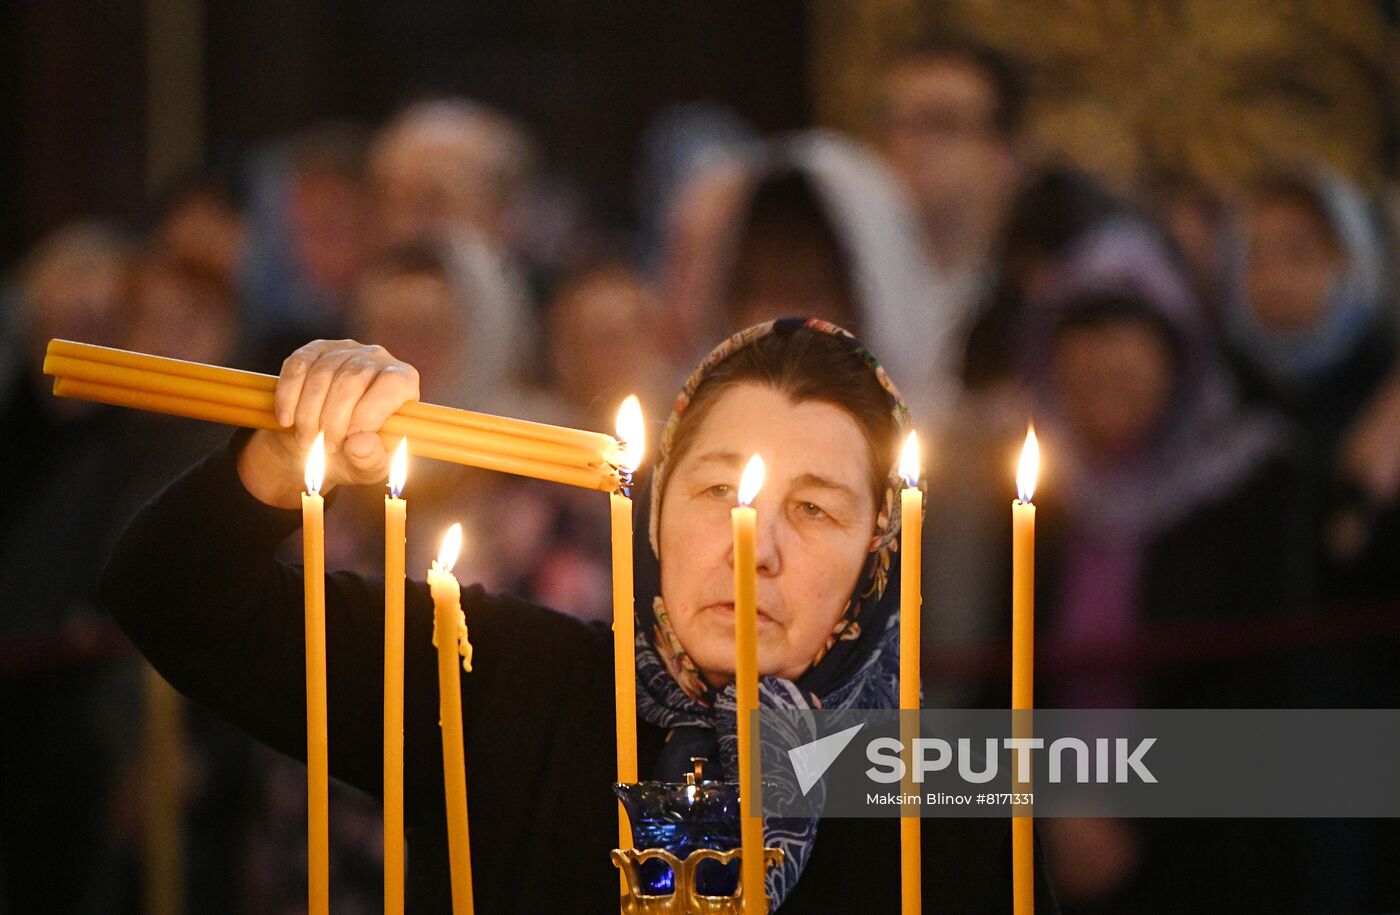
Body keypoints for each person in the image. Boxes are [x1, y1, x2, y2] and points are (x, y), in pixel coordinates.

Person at [99, 319, 1058, 912]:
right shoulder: (512, 684)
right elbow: (176, 600)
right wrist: (281, 456)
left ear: (878, 558)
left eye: (812, 510)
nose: (748, 545)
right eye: (715, 488)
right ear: (653, 508)